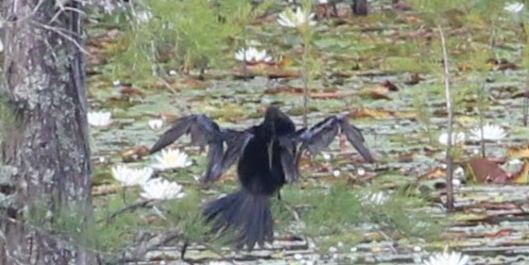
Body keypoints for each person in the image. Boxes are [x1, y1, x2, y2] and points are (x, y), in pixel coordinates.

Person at [150, 105, 373, 247]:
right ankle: (257, 218)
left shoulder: (243, 137)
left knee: (198, 118)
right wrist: (367, 156)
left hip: (245, 189)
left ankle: (219, 222)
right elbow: (337, 123)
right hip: (267, 190)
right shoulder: (291, 139)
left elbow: (195, 122)